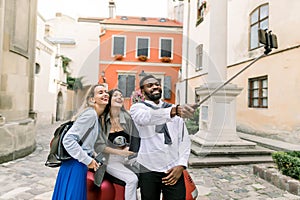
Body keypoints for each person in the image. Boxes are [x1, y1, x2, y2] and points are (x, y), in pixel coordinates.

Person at [130, 75, 196, 200]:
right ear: (143, 92)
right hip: (148, 168)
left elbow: (184, 141)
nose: (155, 87)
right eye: (150, 86)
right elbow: (147, 118)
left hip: (173, 169)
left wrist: (181, 165)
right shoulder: (137, 108)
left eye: (157, 84)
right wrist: (173, 111)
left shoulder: (174, 109)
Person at [52, 84, 109, 200]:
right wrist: (88, 160)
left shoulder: (94, 115)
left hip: (76, 164)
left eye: (106, 92)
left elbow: (85, 142)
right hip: (75, 165)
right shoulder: (90, 114)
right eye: (100, 92)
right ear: (92, 99)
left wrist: (93, 155)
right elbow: (68, 140)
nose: (105, 94)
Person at [94, 88, 140, 200]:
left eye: (121, 95)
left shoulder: (127, 117)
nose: (119, 97)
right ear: (109, 100)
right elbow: (99, 146)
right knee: (132, 180)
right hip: (109, 160)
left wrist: (131, 150)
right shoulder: (102, 120)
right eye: (115, 95)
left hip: (128, 158)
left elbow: (136, 137)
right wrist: (120, 152)